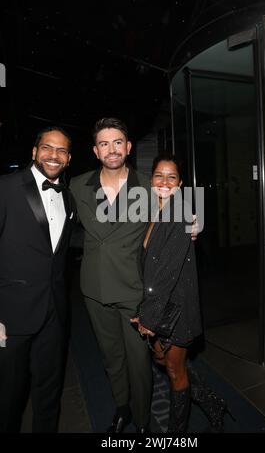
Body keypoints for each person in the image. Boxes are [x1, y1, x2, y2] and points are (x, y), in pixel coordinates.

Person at [131, 153, 232, 433]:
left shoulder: (181, 213)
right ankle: (211, 401)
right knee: (162, 360)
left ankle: (177, 433)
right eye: (159, 176)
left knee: (174, 370)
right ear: (151, 180)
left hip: (177, 308)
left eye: (171, 177)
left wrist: (148, 318)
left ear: (180, 183)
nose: (164, 181)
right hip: (162, 303)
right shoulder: (154, 211)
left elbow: (167, 274)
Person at [69, 117, 152, 433]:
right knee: (111, 356)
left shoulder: (147, 185)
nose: (112, 149)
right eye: (104, 143)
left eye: (118, 141)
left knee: (139, 362)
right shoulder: (78, 186)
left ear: (128, 147)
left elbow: (172, 226)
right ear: (95, 150)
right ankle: (122, 408)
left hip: (134, 289)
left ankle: (143, 419)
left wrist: (192, 226)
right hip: (95, 289)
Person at [0, 126, 75, 433]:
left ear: (68, 159)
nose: (53, 156)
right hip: (10, 317)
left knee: (48, 394)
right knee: (8, 399)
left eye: (61, 151)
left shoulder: (68, 198)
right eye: (47, 148)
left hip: (54, 315)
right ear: (34, 152)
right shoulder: (5, 187)